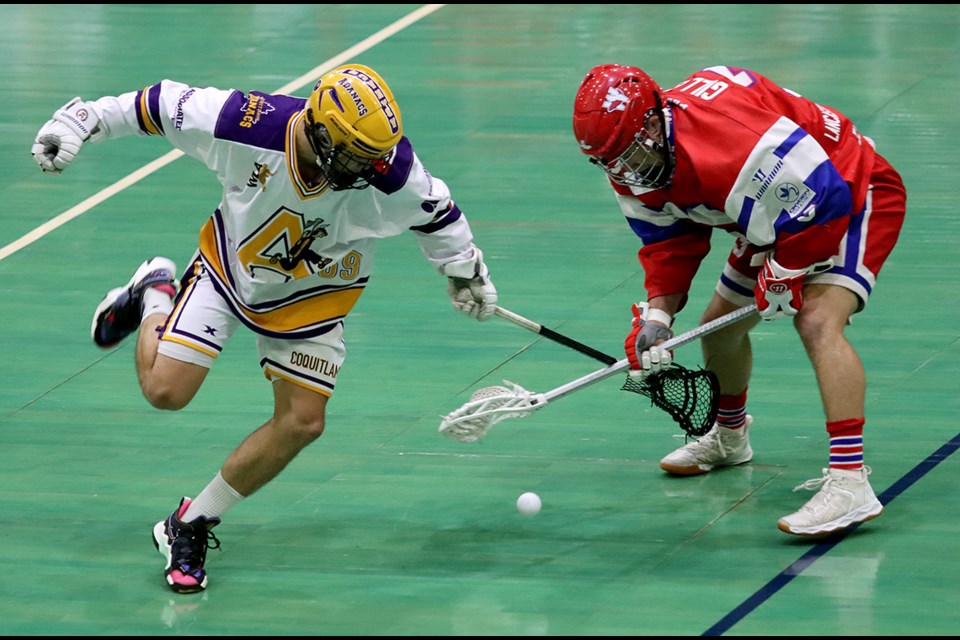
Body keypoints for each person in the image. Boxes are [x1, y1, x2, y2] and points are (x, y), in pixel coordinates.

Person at [30, 63, 499, 593]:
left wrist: (465, 275)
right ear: (320, 131)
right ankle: (156, 293)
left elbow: (440, 216)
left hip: (312, 297)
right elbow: (159, 103)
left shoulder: (389, 169)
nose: (368, 168)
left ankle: (190, 522)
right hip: (229, 271)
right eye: (353, 155)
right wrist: (82, 118)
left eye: (374, 156)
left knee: (303, 422)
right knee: (165, 392)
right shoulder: (248, 124)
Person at [572, 64, 905, 537]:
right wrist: (658, 315)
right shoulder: (631, 159)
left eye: (624, 154)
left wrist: (785, 272)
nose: (622, 171)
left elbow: (825, 200)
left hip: (851, 190)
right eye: (607, 160)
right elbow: (668, 244)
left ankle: (851, 482)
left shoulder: (736, 146)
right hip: (776, 208)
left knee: (815, 319)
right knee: (722, 324)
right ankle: (730, 437)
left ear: (651, 122)